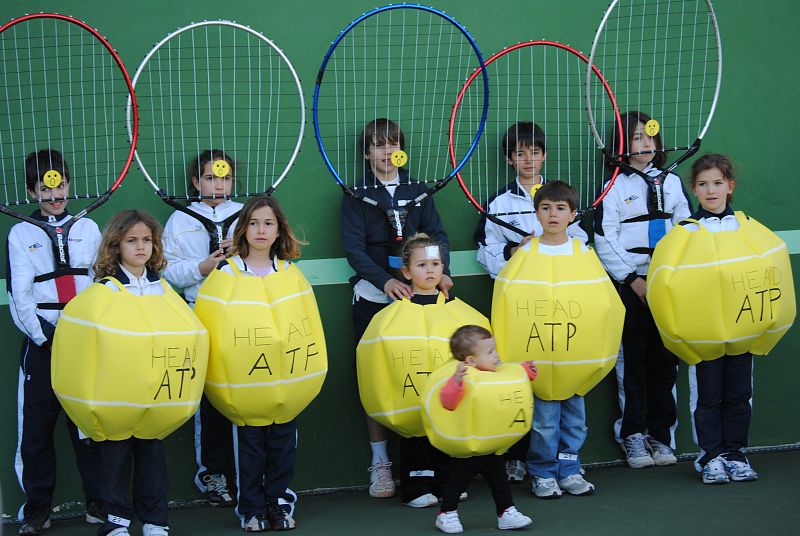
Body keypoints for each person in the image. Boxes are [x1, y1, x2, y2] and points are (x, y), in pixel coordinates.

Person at [341, 118, 452, 498]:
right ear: (366, 153)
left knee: (425, 375)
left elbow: (437, 237)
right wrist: (385, 281)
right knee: (379, 382)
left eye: (393, 144)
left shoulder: (419, 191)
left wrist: (443, 272)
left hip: (421, 302)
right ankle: (381, 465)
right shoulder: (355, 193)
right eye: (377, 145)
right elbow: (354, 249)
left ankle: (431, 468)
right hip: (374, 301)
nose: (386, 152)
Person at [474, 123, 587, 482]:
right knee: (529, 391)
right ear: (509, 159)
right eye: (520, 153)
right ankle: (529, 462)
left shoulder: (564, 201)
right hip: (526, 319)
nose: (528, 159)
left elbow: (582, 250)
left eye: (535, 152)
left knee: (568, 402)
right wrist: (514, 254)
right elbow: (488, 254)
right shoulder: (499, 203)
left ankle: (567, 467)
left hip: (567, 321)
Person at [7, 149, 103, 535]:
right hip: (42, 349)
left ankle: (99, 502)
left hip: (84, 345)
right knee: (35, 434)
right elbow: (20, 294)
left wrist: (86, 330)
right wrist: (44, 335)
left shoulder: (90, 228)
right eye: (45, 188)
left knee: (90, 430)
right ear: (32, 192)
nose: (54, 194)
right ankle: (38, 509)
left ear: (68, 185)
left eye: (60, 185)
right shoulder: (20, 233)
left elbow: (100, 282)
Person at [594, 111, 691, 468]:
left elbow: (686, 230)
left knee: (665, 364)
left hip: (667, 287)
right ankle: (632, 435)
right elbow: (605, 238)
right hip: (630, 289)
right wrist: (633, 279)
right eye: (636, 137)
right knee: (631, 364)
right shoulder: (613, 186)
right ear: (622, 144)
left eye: (650, 135)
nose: (646, 142)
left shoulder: (673, 182)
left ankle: (662, 436)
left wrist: (669, 276)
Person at [214, 195, 300, 532]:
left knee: (282, 446)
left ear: (279, 230)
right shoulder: (228, 272)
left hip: (284, 381)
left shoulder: (290, 272)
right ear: (242, 228)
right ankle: (251, 508)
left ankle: (279, 504)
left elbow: (302, 324)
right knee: (250, 448)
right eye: (253, 223)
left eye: (268, 223)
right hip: (245, 383)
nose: (261, 230)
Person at [163, 149, 242, 507]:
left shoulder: (245, 216)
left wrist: (236, 256)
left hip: (242, 317)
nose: (219, 184)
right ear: (196, 182)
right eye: (211, 178)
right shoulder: (179, 220)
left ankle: (248, 474)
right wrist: (201, 267)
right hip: (199, 314)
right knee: (208, 403)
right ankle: (213, 475)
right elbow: (167, 271)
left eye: (225, 178)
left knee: (242, 398)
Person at [92, 210, 171, 536]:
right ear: (116, 244)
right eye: (132, 240)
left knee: (151, 455)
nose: (141, 247)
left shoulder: (162, 287)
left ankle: (154, 521)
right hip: (116, 389)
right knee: (114, 455)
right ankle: (116, 522)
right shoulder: (105, 288)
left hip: (153, 388)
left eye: (147, 240)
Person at [684, 154, 758, 484]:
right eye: (703, 185)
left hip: (741, 331)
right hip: (704, 334)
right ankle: (710, 456)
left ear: (730, 186)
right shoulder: (685, 232)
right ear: (694, 190)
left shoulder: (747, 228)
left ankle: (736, 453)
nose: (711, 191)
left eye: (717, 183)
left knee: (739, 395)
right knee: (707, 396)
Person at [526, 181, 595, 499]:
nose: (553, 214)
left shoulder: (583, 251)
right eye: (546, 207)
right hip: (540, 354)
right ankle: (542, 472)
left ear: (573, 215)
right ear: (536, 212)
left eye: (561, 208)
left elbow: (600, 300)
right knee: (544, 421)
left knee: (574, 419)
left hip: (576, 353)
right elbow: (512, 299)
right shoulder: (526, 253)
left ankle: (569, 468)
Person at [434, 325, 534, 534]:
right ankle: (446, 513)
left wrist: (526, 370)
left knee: (500, 481)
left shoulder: (493, 373)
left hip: (491, 445)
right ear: (470, 360)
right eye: (490, 352)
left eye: (495, 349)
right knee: (458, 482)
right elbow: (448, 402)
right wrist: (457, 381)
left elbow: (510, 375)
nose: (496, 355)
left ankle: (506, 512)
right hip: (468, 447)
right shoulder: (465, 376)